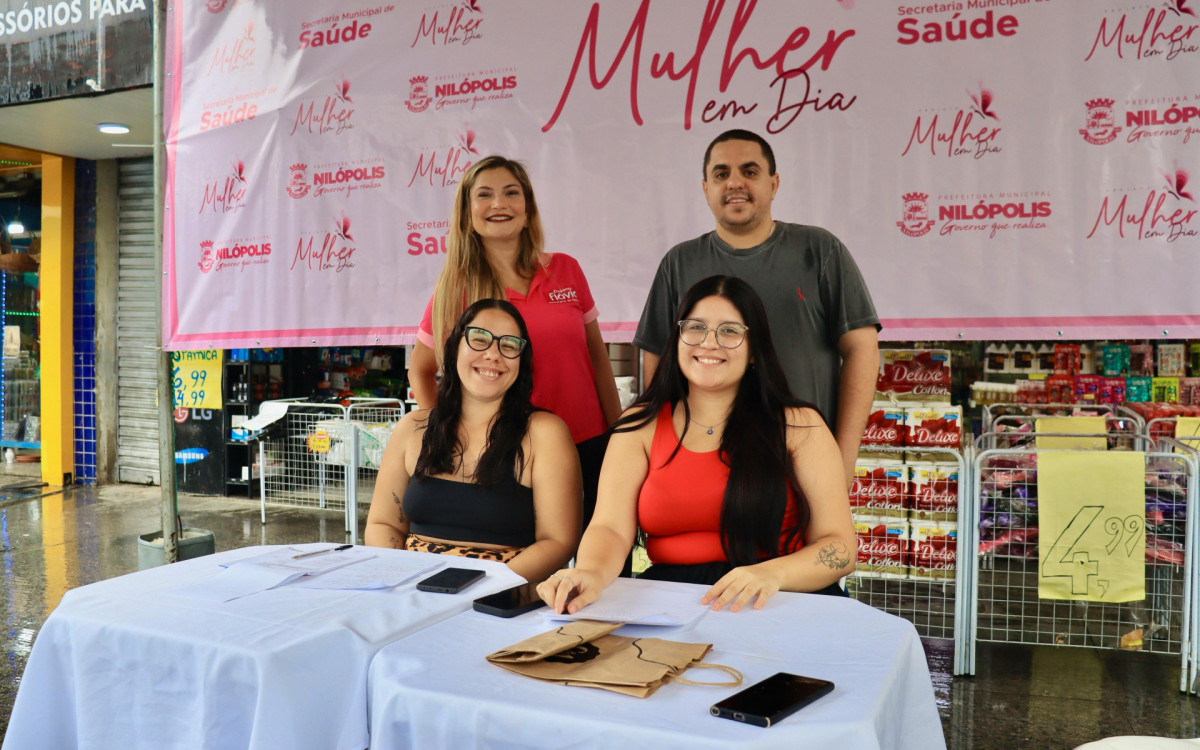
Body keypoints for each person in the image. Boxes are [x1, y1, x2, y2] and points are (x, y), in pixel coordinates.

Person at [539, 276, 856, 615]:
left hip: (777, 600)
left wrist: (772, 574)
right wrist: (590, 572)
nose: (709, 343)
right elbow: (609, 528)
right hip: (669, 602)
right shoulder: (639, 425)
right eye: (696, 328)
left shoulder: (799, 425)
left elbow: (840, 547)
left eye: (730, 331)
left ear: (754, 351)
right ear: (677, 340)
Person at [634, 129, 880, 487]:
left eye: (749, 172)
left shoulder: (820, 250)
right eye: (721, 174)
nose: (735, 182)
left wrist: (843, 458)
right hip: (700, 467)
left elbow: (862, 350)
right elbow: (657, 361)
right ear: (705, 188)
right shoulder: (679, 263)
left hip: (802, 465)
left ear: (774, 184)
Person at [409, 155, 621, 523]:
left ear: (527, 207)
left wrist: (620, 436)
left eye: (511, 192)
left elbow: (597, 359)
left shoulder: (566, 269)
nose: (498, 204)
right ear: (467, 212)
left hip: (590, 443)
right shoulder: (457, 289)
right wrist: (447, 438)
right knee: (532, 569)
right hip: (512, 452)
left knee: (600, 566)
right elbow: (421, 370)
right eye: (485, 194)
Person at [367, 299, 581, 582]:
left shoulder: (544, 433)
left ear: (522, 360)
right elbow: (383, 524)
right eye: (479, 339)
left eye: (509, 345)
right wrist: (400, 578)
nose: (493, 355)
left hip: (501, 595)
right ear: (455, 348)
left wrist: (481, 587)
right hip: (410, 587)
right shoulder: (412, 428)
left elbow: (558, 541)